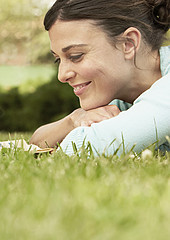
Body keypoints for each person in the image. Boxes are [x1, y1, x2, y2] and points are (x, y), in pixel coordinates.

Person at [29, 0, 170, 156]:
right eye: (58, 59)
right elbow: (37, 142)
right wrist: (74, 120)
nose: (62, 76)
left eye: (76, 56)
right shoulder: (121, 101)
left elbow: (89, 147)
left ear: (128, 43)